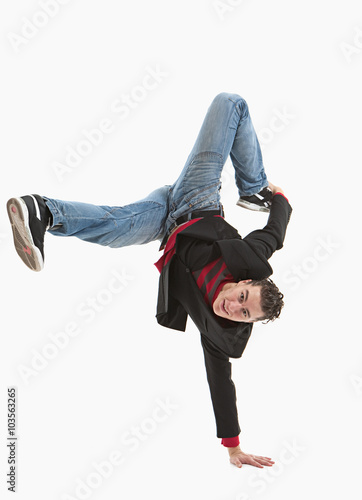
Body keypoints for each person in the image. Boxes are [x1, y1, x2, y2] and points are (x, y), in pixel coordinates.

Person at [7, 92, 292, 469]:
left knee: (115, 227)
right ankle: (253, 185)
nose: (233, 306)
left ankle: (40, 210)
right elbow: (274, 234)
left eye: (242, 314)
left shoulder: (219, 333)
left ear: (246, 324)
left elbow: (221, 384)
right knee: (230, 104)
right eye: (242, 296)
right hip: (198, 200)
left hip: (166, 224)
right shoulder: (250, 260)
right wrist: (279, 199)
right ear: (247, 282)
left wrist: (233, 446)